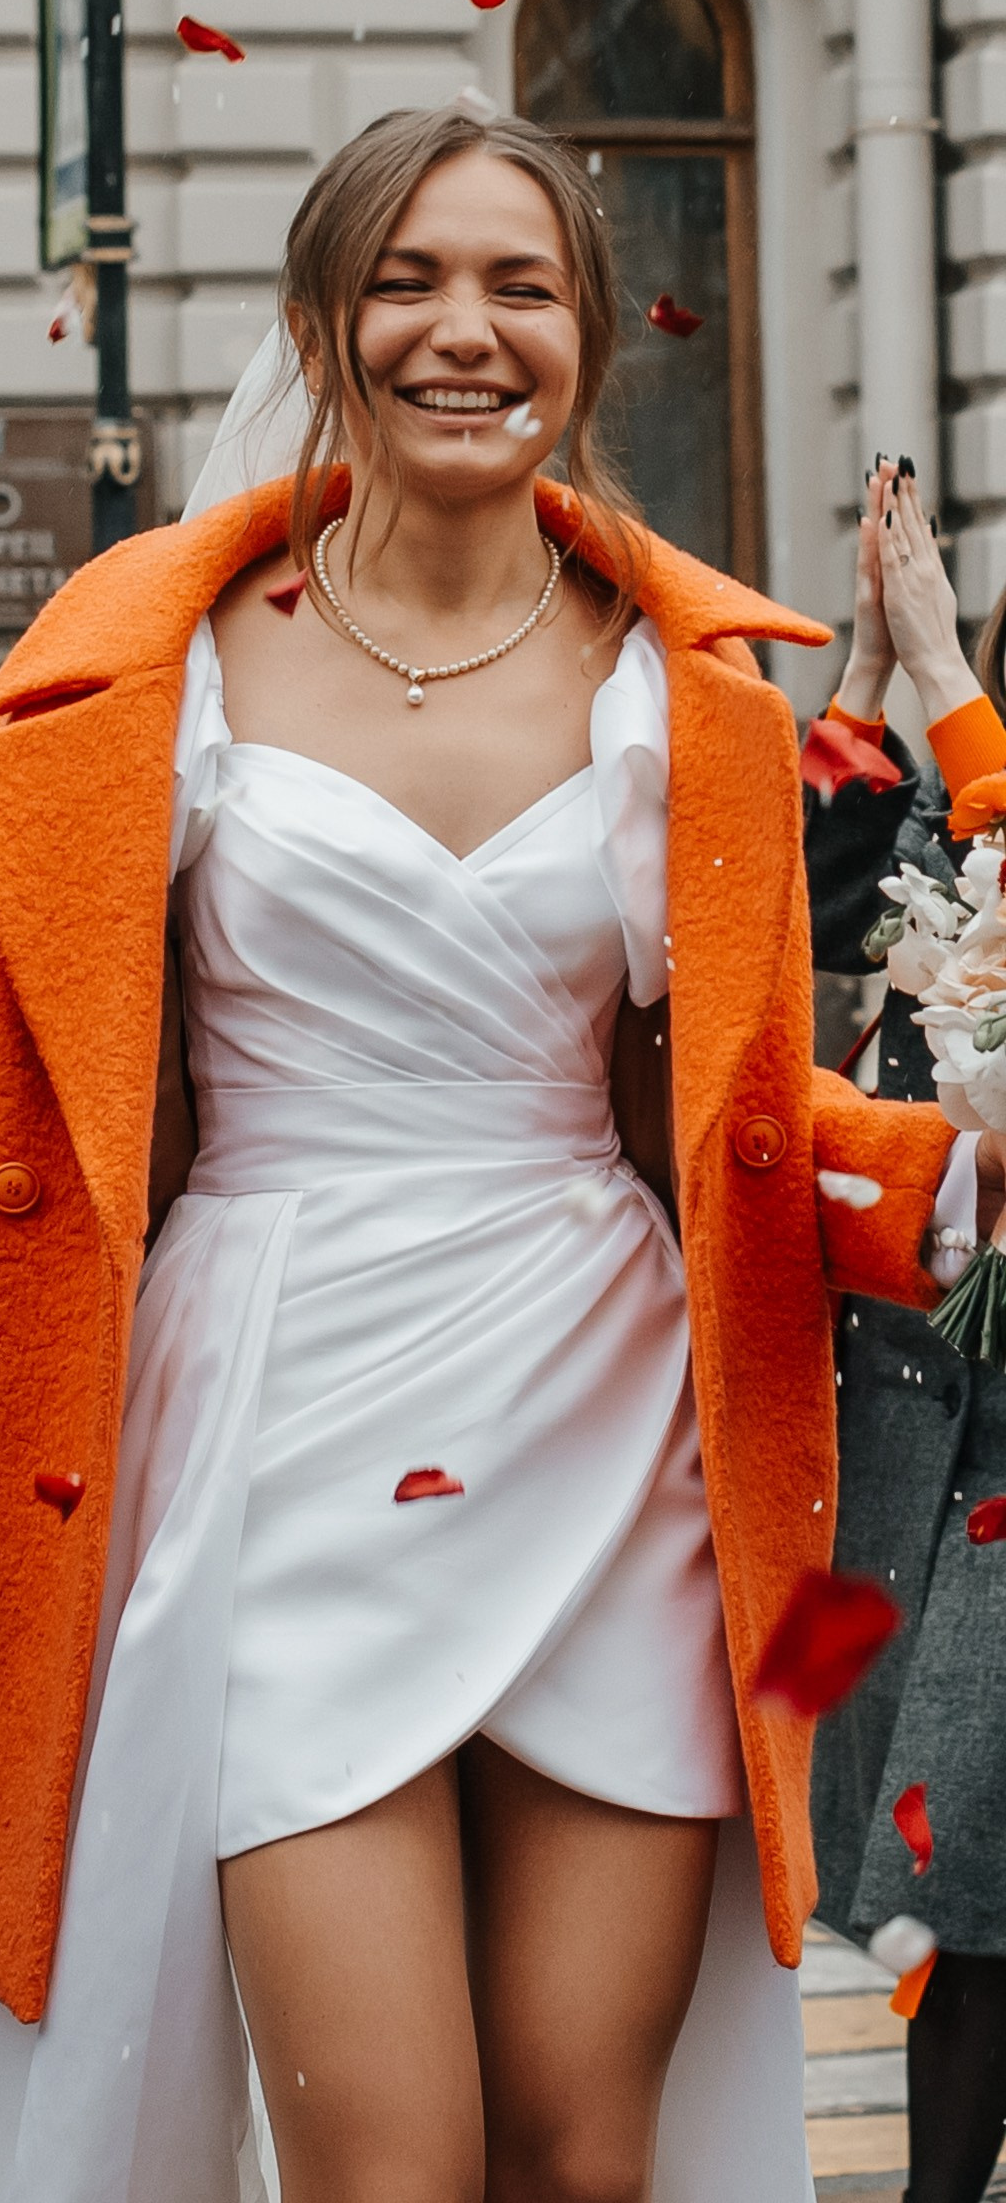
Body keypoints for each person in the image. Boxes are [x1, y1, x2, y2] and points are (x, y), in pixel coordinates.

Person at [0, 104, 997, 2203]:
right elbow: (6, 1070)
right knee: (390, 2165)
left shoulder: (687, 700)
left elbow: (728, 1118)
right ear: (324, 325)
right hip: (280, 1415)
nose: (465, 330)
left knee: (586, 2152)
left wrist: (959, 1183)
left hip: (610, 1429)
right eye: (408, 281)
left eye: (519, 285)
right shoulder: (149, 671)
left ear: (590, 336)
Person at [804, 462, 1006, 2203]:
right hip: (935, 1417)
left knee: (975, 1862)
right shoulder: (952, 811)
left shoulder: (983, 763)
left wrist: (946, 688)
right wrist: (870, 681)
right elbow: (781, 908)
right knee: (959, 1876)